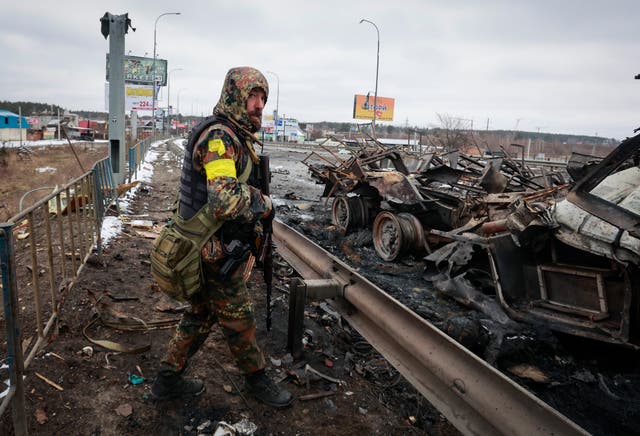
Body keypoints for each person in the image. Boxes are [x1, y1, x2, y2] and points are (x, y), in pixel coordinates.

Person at [151, 66, 293, 408]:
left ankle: (166, 381)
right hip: (209, 249)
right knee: (239, 316)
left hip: (213, 245)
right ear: (234, 96)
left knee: (201, 314)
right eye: (252, 97)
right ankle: (258, 381)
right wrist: (266, 204)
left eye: (263, 98)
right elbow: (225, 198)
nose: (259, 104)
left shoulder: (236, 134)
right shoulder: (220, 138)